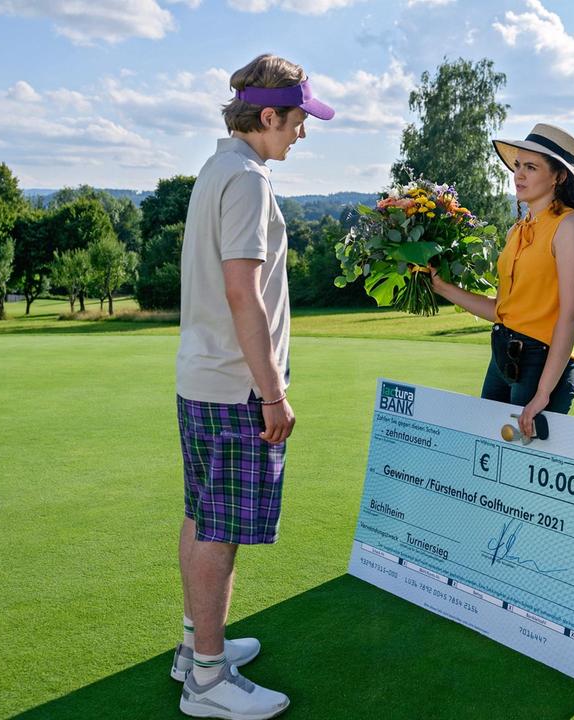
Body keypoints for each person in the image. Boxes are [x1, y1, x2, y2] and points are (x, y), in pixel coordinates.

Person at [171, 53, 333, 720]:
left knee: (200, 515)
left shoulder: (218, 167)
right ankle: (207, 681)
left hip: (202, 378)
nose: (302, 132)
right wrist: (271, 393)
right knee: (221, 531)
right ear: (267, 116)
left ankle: (196, 648)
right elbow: (244, 293)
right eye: (298, 120)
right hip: (237, 386)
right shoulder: (248, 180)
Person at [432, 123, 574, 438]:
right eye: (517, 166)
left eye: (531, 167)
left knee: (518, 472)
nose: (519, 175)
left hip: (541, 365)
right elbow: (502, 310)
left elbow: (571, 315)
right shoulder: (517, 231)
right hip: (502, 357)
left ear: (559, 176)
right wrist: (443, 287)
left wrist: (543, 393)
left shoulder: (569, 225)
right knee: (488, 459)